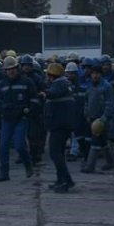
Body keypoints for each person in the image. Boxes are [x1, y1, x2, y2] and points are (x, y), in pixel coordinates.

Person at [0, 56, 37, 181]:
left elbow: (34, 98)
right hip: (7, 118)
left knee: (19, 145)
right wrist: (0, 108)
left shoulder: (26, 82)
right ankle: (4, 173)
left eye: (13, 68)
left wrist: (29, 109)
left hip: (21, 118)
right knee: (3, 146)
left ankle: (28, 164)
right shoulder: (2, 84)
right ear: (5, 71)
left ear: (17, 68)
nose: (11, 71)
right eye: (8, 69)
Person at [43, 62, 75, 193]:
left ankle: (66, 181)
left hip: (59, 125)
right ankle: (60, 179)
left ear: (52, 75)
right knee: (59, 153)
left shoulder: (59, 84)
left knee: (55, 153)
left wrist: (42, 92)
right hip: (63, 124)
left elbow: (52, 94)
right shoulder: (65, 84)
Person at [82, 63, 114, 173]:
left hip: (101, 119)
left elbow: (110, 104)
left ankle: (90, 165)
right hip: (92, 118)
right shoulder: (89, 85)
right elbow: (86, 101)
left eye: (97, 73)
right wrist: (86, 114)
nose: (95, 76)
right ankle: (111, 162)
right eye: (93, 73)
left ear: (101, 74)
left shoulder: (106, 86)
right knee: (103, 141)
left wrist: (104, 118)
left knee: (95, 141)